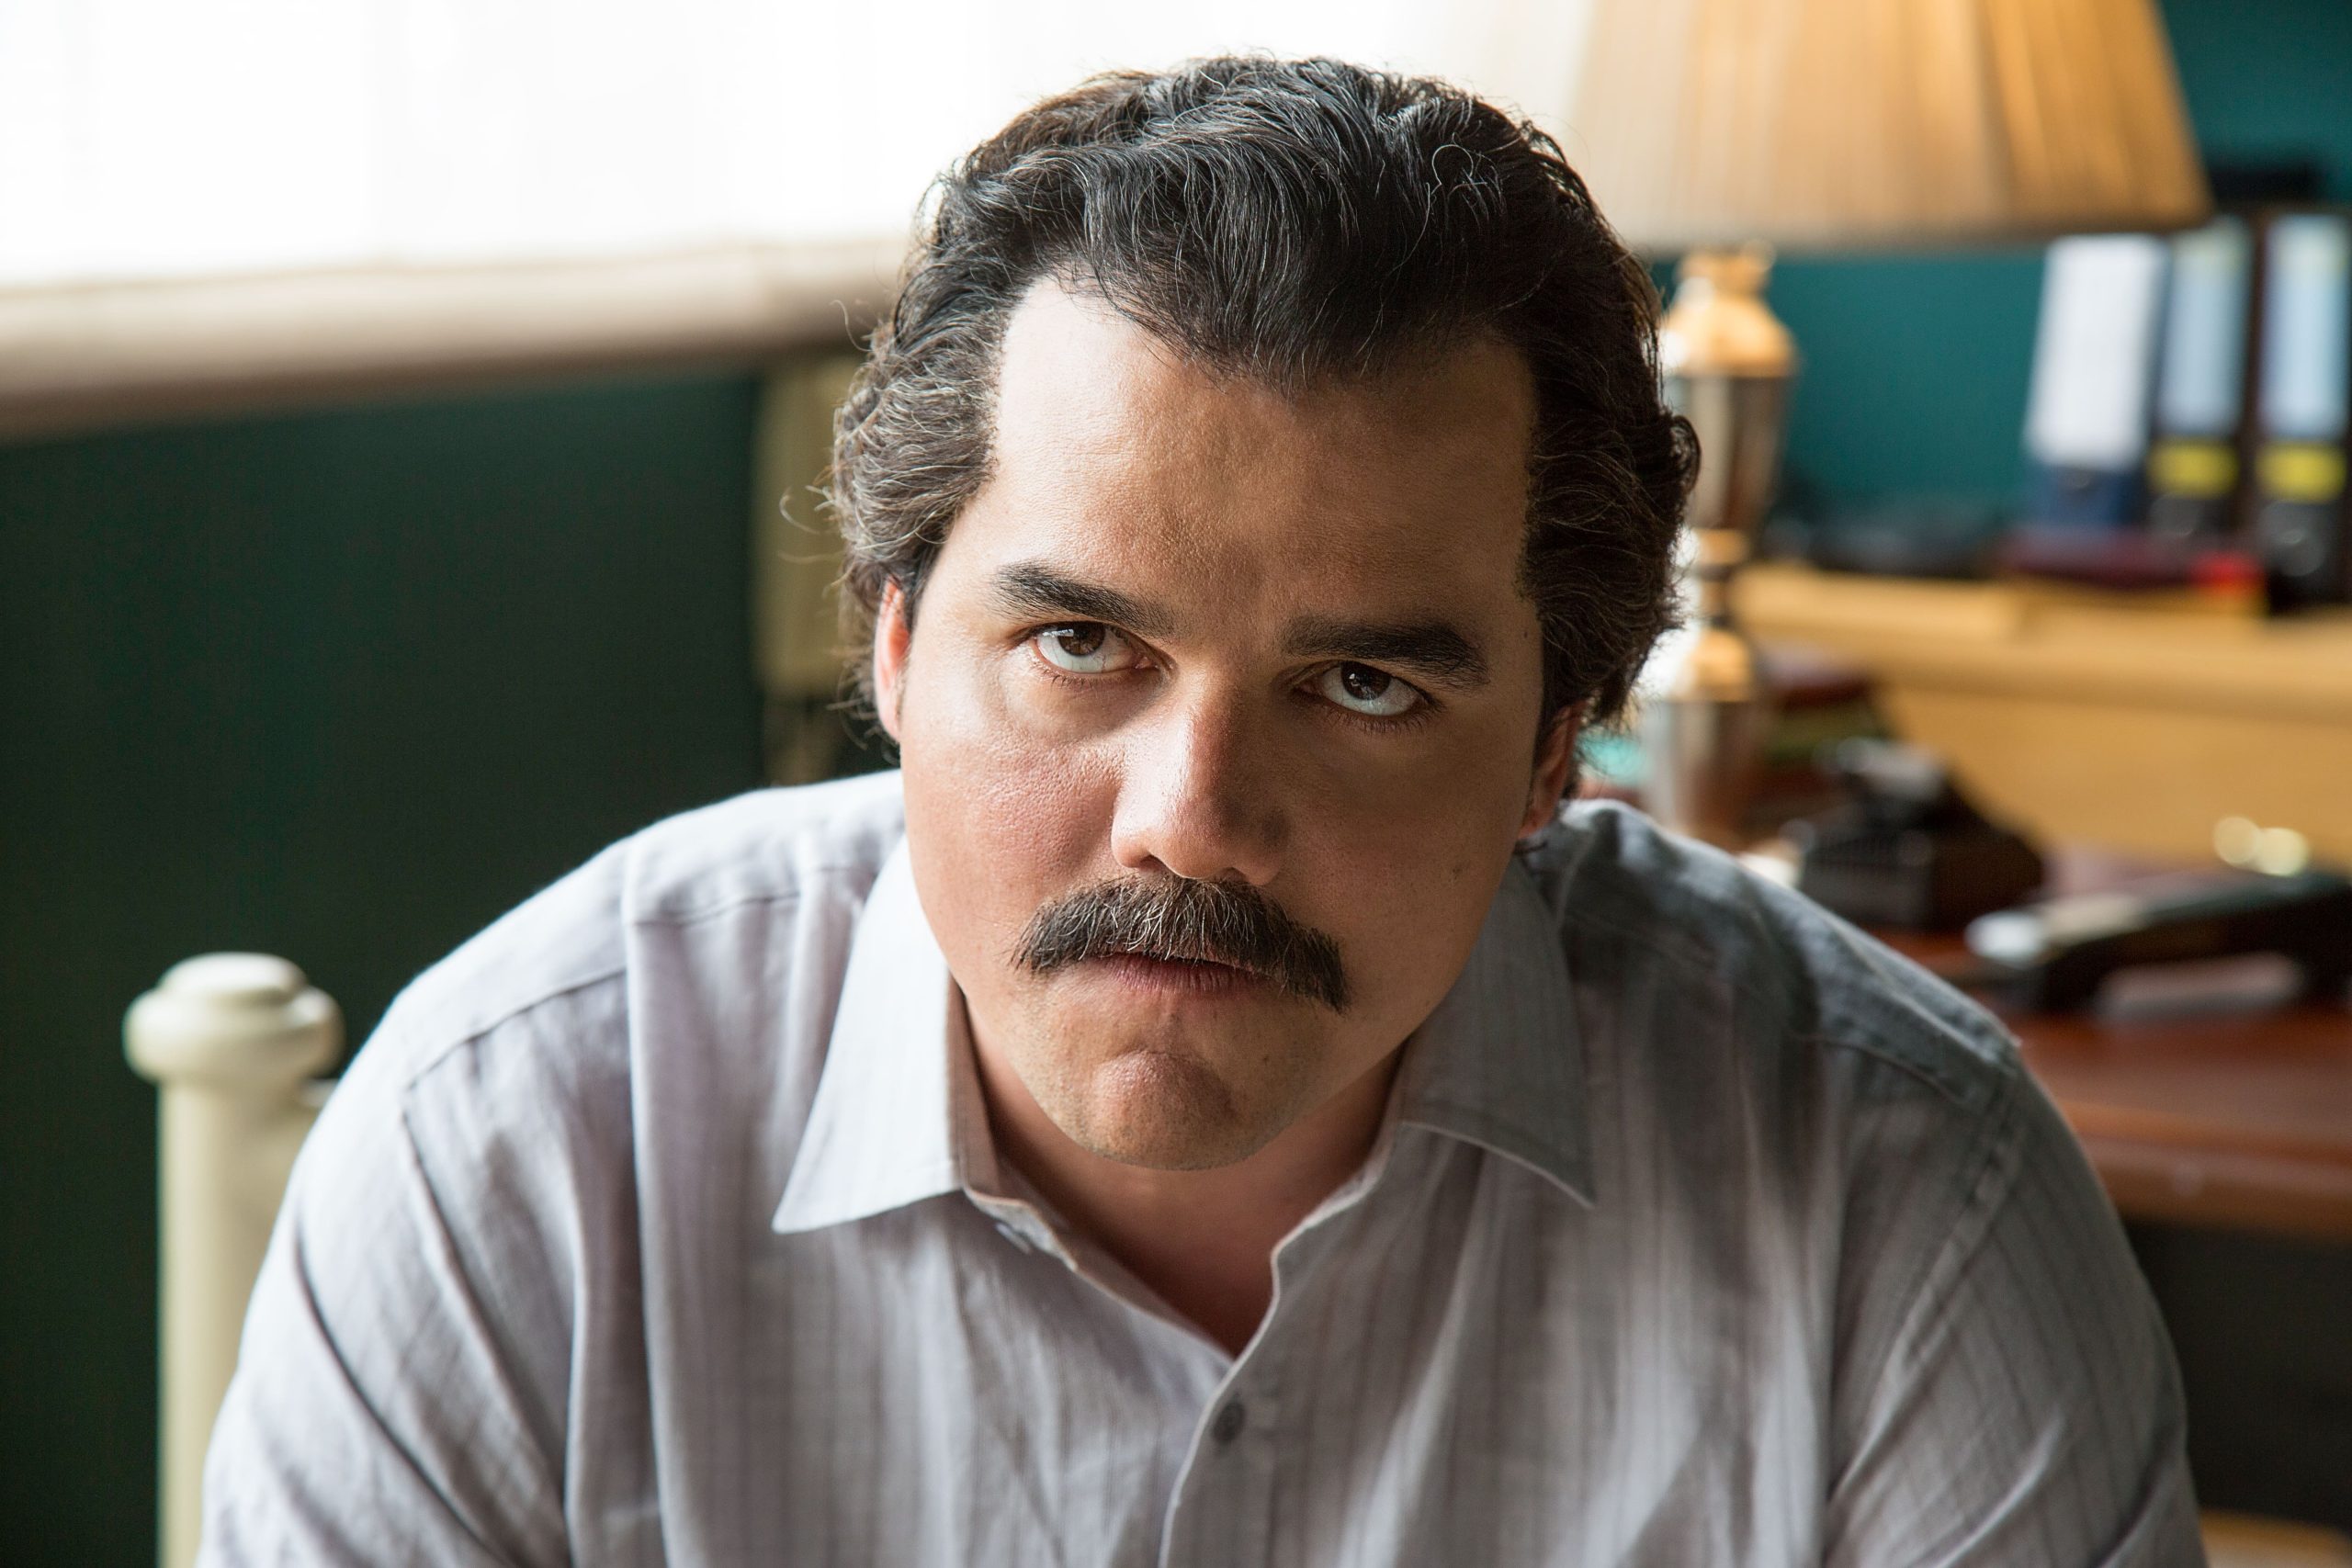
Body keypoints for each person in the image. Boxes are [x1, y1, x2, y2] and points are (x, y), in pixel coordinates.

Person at [202, 57, 2201, 1566]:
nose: (1191, 821)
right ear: (892, 646)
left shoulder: (1898, 1197)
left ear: (1554, 749)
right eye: (1079, 644)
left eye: (1364, 686)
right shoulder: (515, 1144)